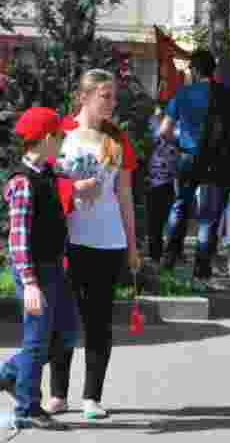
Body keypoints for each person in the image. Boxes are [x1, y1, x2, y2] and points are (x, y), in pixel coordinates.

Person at [49, 69, 141, 420]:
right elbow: (45, 184)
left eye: (113, 96)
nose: (111, 102)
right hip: (69, 240)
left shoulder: (118, 140)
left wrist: (132, 246)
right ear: (84, 96)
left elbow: (125, 195)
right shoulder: (62, 134)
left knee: (98, 321)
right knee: (64, 318)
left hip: (108, 241)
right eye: (105, 95)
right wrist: (73, 190)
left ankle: (92, 396)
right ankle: (58, 393)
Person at [0, 108, 78, 431]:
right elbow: (18, 239)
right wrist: (30, 283)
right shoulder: (23, 181)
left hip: (53, 268)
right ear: (47, 139)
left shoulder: (46, 171)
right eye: (60, 135)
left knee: (65, 334)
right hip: (36, 273)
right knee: (37, 340)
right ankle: (27, 407)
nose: (63, 140)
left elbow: (66, 173)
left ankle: (9, 375)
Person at [160, 49, 230, 284]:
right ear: (212, 70)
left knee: (180, 206)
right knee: (208, 217)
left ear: (194, 70)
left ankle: (169, 258)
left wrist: (182, 142)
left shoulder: (182, 94)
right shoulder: (227, 95)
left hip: (188, 158)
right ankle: (202, 269)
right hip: (216, 162)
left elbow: (164, 131)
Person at [145, 105, 177, 264]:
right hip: (153, 181)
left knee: (160, 221)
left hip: (168, 182)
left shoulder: (176, 128)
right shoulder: (150, 126)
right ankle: (155, 255)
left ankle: (158, 255)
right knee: (156, 222)